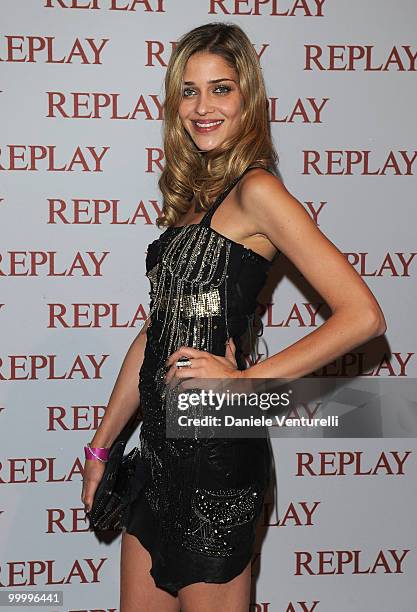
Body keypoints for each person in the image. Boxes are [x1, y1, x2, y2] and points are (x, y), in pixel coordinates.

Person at [81, 22, 387, 612]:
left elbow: (362, 316)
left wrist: (247, 382)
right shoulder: (194, 200)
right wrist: (102, 449)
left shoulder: (258, 191)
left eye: (220, 89)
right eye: (189, 91)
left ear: (248, 97)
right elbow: (155, 335)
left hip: (217, 456)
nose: (202, 107)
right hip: (160, 452)